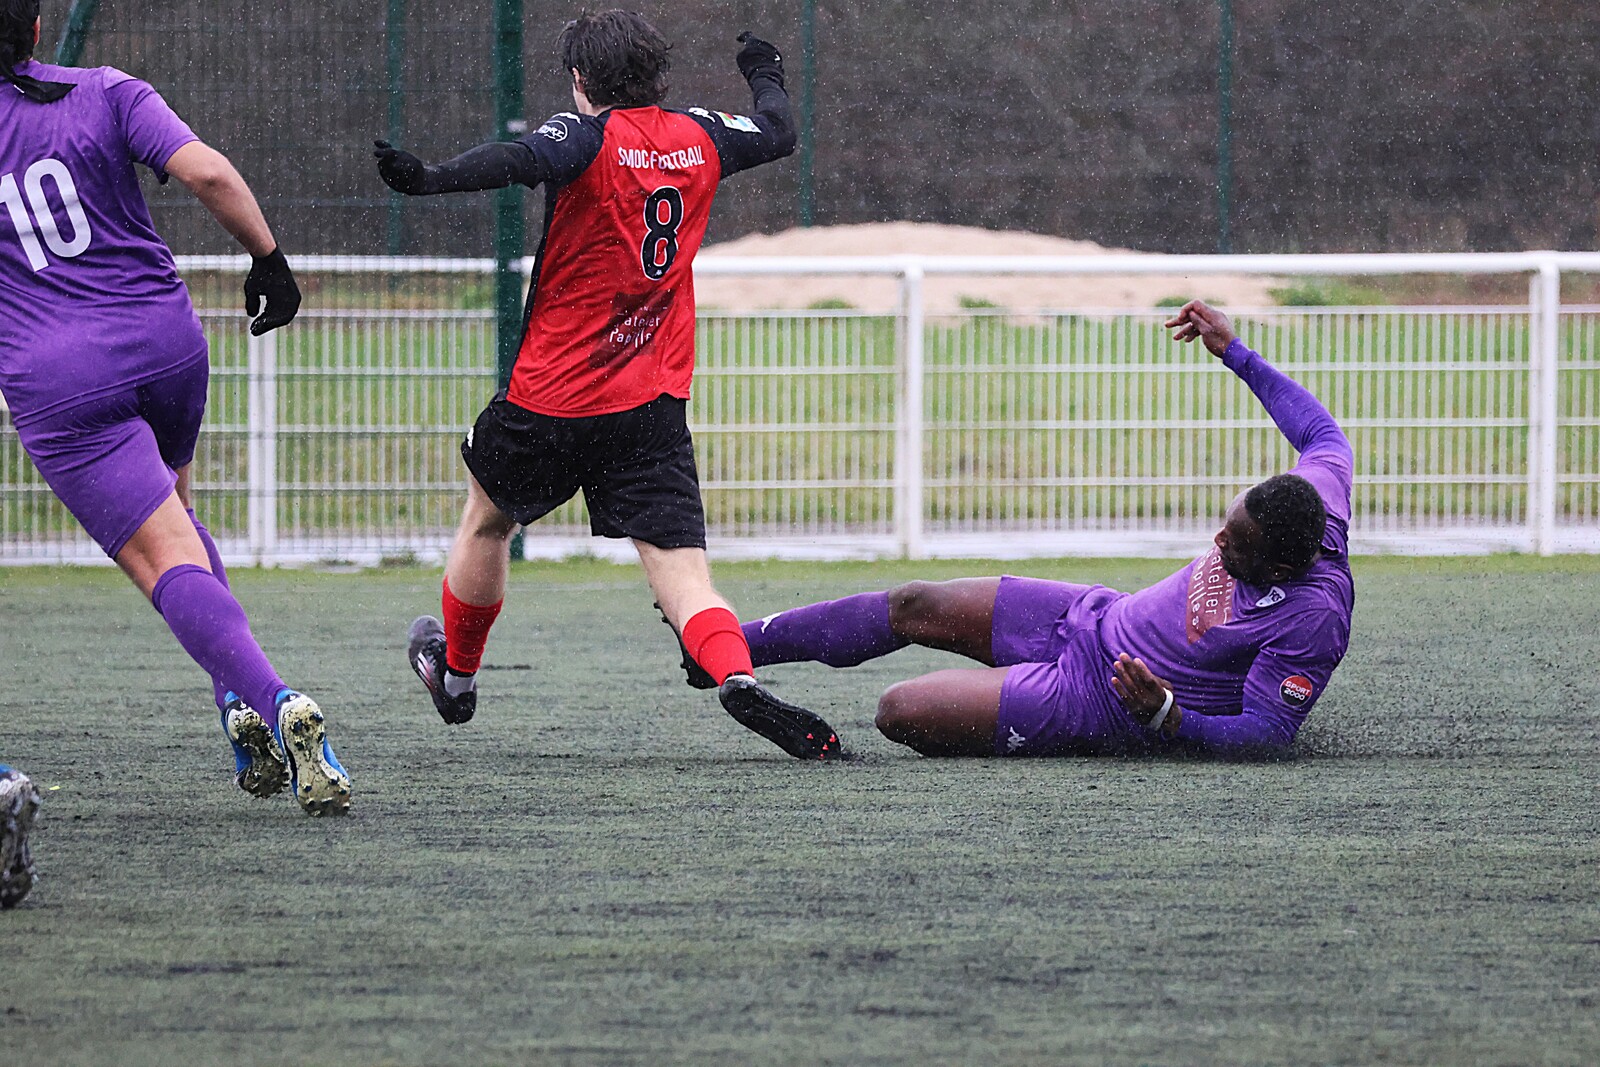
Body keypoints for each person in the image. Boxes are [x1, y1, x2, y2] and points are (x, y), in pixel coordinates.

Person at [376, 11, 840, 760]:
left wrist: (429, 179)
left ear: (580, 79)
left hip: (549, 400)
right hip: (650, 404)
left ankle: (455, 678)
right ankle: (735, 674)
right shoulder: (700, 135)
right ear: (656, 75)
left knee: (487, 522)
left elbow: (515, 159)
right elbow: (778, 131)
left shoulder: (583, 136)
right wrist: (764, 71)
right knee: (682, 573)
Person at [0, 1, 349, 815]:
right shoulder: (107, 90)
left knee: (162, 560)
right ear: (39, 28)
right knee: (180, 525)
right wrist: (269, 258)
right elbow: (209, 174)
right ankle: (236, 710)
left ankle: (276, 699)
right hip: (166, 342)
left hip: (62, 381)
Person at [735, 301, 1355, 758]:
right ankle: (727, 649)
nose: (1218, 543)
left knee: (898, 709)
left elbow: (1267, 735)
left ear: (1280, 569)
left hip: (1099, 700)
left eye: (1234, 545)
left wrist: (1168, 716)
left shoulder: (1314, 617)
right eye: (1226, 526)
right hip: (1093, 614)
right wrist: (1234, 351)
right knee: (913, 602)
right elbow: (1321, 433)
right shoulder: (1319, 493)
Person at [0, 765, 40, 908]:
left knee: (11, 843)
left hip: (8, 789)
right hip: (27, 788)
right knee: (17, 846)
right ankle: (21, 872)